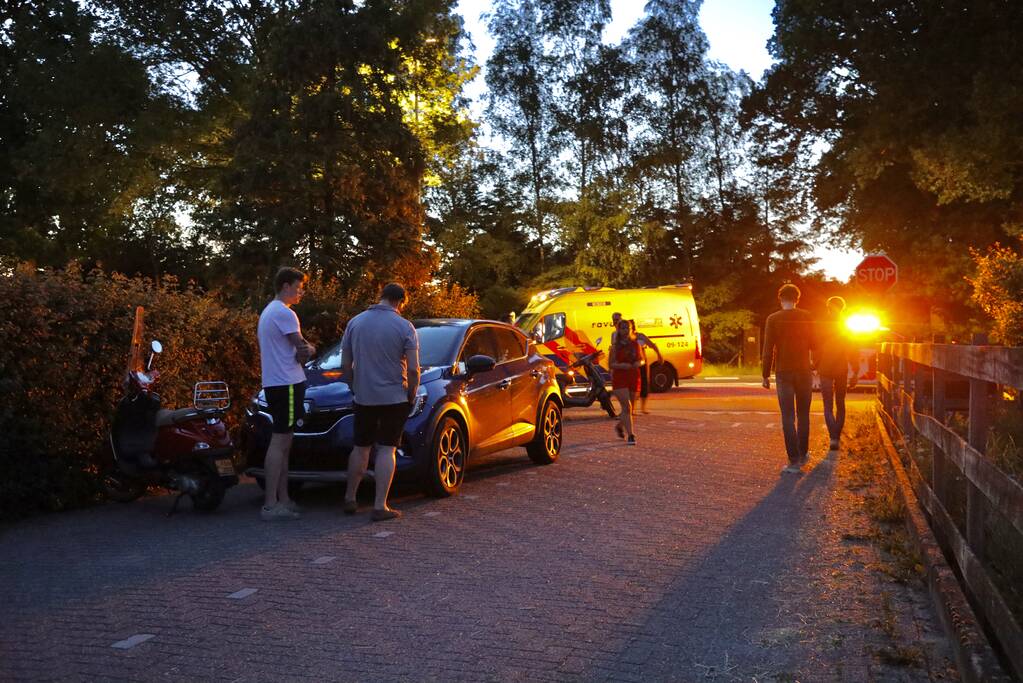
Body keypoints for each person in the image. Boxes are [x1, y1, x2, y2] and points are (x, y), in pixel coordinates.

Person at [341, 283, 420, 521]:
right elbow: (414, 369)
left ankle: (350, 497)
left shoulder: (355, 322)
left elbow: (346, 364)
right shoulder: (405, 326)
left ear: (381, 296)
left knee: (360, 446)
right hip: (394, 397)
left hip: (364, 396)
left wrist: (354, 386)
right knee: (387, 448)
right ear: (401, 301)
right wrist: (411, 393)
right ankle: (379, 505)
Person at [257, 266, 315, 521]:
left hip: (275, 383)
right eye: (298, 287)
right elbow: (302, 350)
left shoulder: (269, 311)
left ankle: (284, 498)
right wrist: (311, 349)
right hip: (287, 384)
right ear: (285, 286)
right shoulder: (285, 313)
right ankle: (271, 504)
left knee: (284, 442)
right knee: (280, 441)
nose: (301, 292)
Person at [761, 283, 816, 474]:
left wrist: (765, 374)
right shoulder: (807, 316)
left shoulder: (773, 319)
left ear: (780, 298)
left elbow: (768, 349)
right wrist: (814, 365)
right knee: (803, 414)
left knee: (788, 416)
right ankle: (803, 453)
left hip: (783, 372)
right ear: (797, 298)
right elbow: (816, 344)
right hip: (804, 371)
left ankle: (793, 460)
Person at [816, 296, 859, 451]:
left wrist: (815, 364)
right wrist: (855, 371)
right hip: (841, 369)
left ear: (828, 307)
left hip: (825, 368)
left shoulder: (822, 324)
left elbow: (816, 347)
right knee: (840, 403)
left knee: (827, 405)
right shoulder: (847, 326)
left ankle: (832, 437)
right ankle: (836, 437)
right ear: (842, 308)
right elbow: (853, 350)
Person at [609, 318, 642, 445]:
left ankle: (619, 426)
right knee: (627, 407)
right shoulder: (615, 347)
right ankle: (631, 435)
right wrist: (622, 365)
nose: (625, 330)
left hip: (633, 376)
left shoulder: (635, 344)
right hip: (620, 377)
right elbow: (611, 364)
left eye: (627, 328)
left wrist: (638, 363)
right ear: (618, 330)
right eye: (623, 328)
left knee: (630, 409)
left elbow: (641, 359)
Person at [629, 319, 663, 414]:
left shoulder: (640, 336)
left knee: (644, 384)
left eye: (629, 327)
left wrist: (659, 355)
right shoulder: (625, 339)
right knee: (632, 387)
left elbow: (652, 345)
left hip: (642, 363)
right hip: (631, 364)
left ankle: (643, 408)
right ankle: (632, 409)